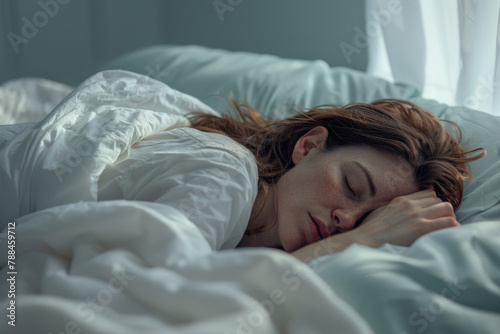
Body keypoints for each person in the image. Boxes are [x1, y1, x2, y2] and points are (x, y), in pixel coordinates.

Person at [188, 98, 486, 262]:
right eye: (352, 187)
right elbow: (172, 288)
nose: (346, 220)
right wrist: (362, 238)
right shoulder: (222, 170)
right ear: (308, 146)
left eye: (369, 220)